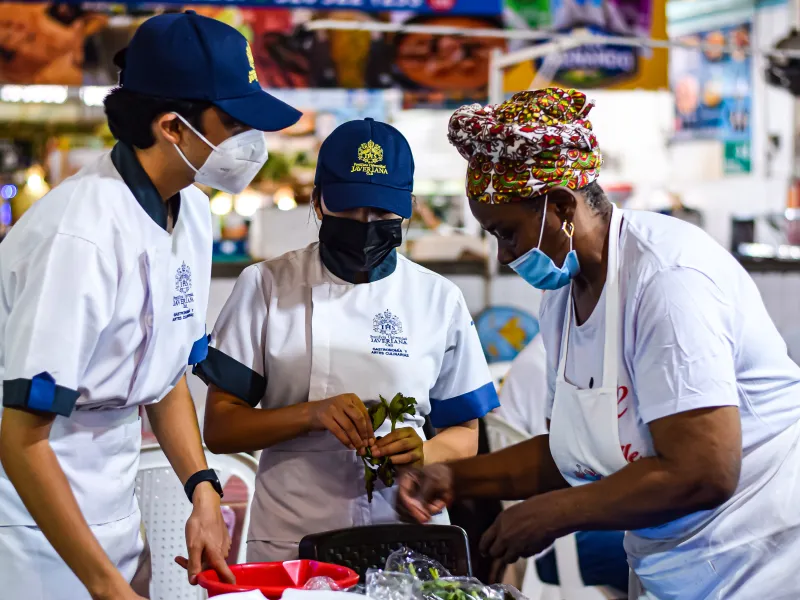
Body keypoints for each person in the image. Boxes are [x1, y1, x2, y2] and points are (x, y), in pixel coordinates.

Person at [397, 88, 800, 600]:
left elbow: (704, 471)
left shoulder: (666, 280)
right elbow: (572, 456)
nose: (501, 257)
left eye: (507, 233)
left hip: (765, 557)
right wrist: (452, 477)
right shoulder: (564, 297)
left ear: (563, 206)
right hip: (678, 565)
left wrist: (558, 513)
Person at [0, 11, 301, 600]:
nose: (250, 143)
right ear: (172, 126)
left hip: (114, 510)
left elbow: (164, 380)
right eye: (234, 122)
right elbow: (20, 436)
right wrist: (106, 585)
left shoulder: (186, 213)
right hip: (31, 529)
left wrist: (204, 489)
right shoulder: (79, 236)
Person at [196, 118, 499, 562]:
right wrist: (311, 414)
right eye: (350, 209)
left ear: (408, 208)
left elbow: (465, 434)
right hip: (293, 536)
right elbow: (221, 429)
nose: (365, 223)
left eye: (380, 213)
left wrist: (426, 450)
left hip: (408, 534)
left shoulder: (438, 299)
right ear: (318, 202)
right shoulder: (266, 286)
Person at [498, 337, 628, 595]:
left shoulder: (577, 351)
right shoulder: (547, 362)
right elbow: (561, 464)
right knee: (674, 553)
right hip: (558, 534)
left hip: (584, 517)